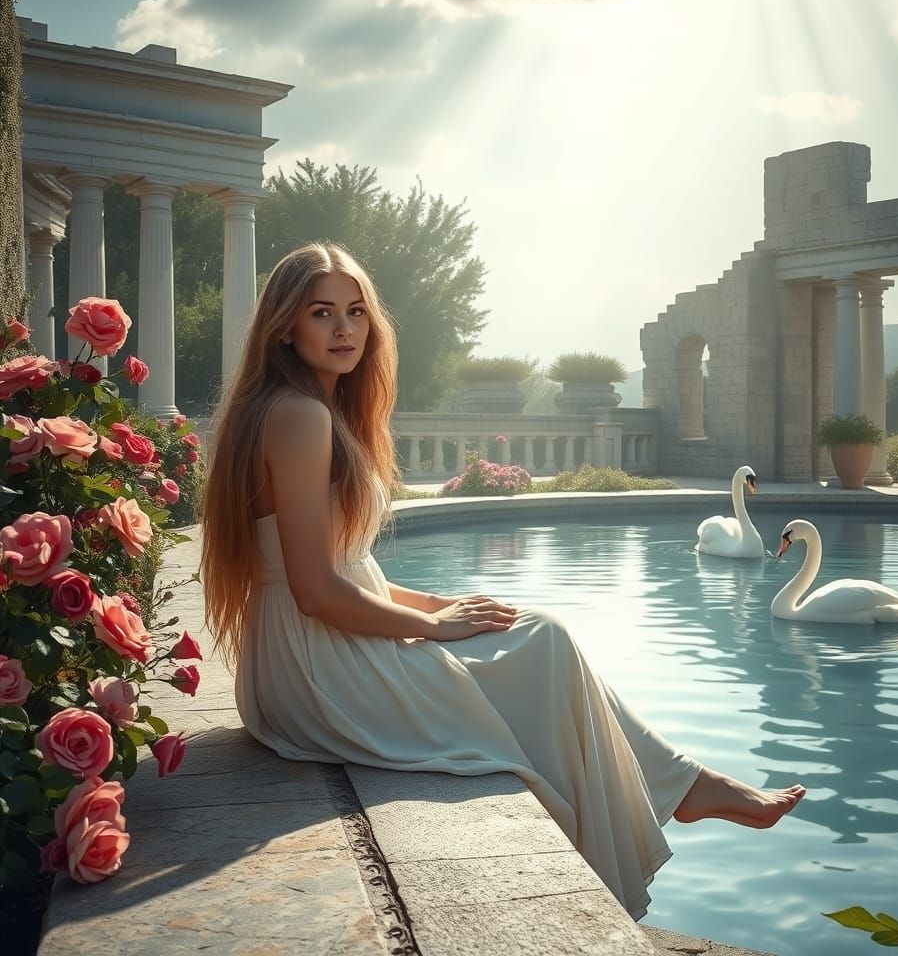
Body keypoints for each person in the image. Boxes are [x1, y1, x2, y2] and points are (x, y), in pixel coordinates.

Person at [200, 242, 804, 920]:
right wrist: (431, 625)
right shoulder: (299, 416)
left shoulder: (315, 410)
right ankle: (683, 793)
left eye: (356, 311)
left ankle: (685, 786)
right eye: (322, 313)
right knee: (542, 648)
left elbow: (347, 570)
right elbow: (314, 589)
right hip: (315, 670)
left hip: (314, 648)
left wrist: (442, 605)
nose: (345, 329)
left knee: (534, 631)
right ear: (286, 326)